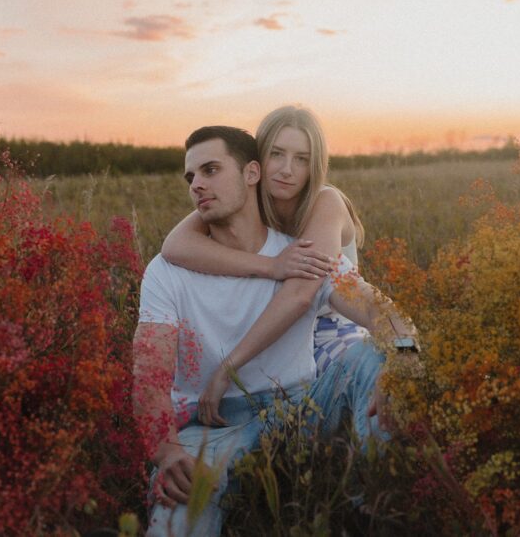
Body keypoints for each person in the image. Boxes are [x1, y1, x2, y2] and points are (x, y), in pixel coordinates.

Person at [134, 125, 418, 537]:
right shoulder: (167, 271)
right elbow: (149, 371)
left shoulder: (302, 253)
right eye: (190, 177)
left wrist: (405, 362)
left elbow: (385, 314)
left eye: (211, 170)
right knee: (177, 513)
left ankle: (373, 508)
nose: (197, 184)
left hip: (300, 411)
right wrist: (166, 449)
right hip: (215, 424)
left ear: (252, 173)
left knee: (372, 359)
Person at [160, 106, 374, 426]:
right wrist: (270, 265)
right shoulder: (247, 195)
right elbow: (175, 245)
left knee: (359, 395)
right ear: (257, 162)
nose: (287, 170)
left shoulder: (324, 202)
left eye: (301, 159)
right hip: (275, 335)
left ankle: (367, 467)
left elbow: (301, 295)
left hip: (327, 330)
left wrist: (228, 369)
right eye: (276, 154)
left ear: (314, 166)